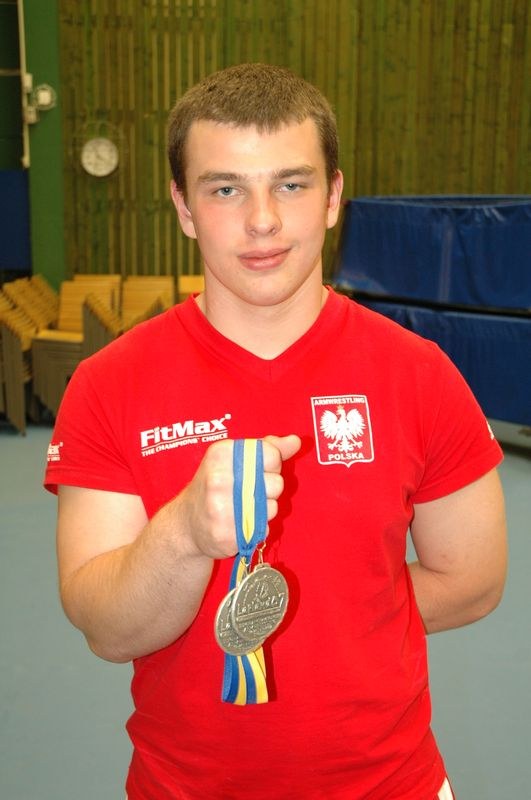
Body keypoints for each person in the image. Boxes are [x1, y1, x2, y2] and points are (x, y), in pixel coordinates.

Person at [44, 63, 507, 800]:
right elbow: (109, 629)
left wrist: (328, 618)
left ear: (332, 197)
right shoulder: (109, 384)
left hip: (391, 786)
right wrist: (184, 535)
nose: (261, 219)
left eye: (290, 184)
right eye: (225, 188)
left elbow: (473, 583)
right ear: (183, 207)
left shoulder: (420, 374)